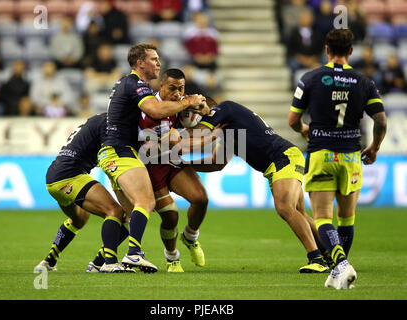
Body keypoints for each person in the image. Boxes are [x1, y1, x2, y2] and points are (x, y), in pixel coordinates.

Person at [288, 28, 387, 289]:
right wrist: (375, 146)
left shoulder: (310, 78)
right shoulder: (365, 82)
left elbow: (293, 120)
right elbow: (380, 120)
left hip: (322, 153)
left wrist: (304, 130)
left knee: (321, 217)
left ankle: (341, 265)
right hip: (351, 156)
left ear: (327, 50)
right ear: (351, 51)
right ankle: (337, 274)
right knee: (347, 217)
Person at [184, 99, 330, 274]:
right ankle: (330, 256)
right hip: (284, 158)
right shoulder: (229, 132)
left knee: (285, 208)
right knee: (298, 213)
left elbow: (199, 134)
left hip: (283, 158)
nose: (197, 117)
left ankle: (316, 259)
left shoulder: (225, 107)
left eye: (198, 114)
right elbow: (217, 163)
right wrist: (185, 165)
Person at [97, 43, 206, 273]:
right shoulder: (136, 85)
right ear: (140, 63)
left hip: (125, 152)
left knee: (127, 215)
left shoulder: (131, 84)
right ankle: (136, 255)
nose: (158, 62)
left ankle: (103, 262)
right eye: (154, 59)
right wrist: (186, 103)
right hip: (123, 152)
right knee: (146, 204)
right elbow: (155, 112)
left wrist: (198, 109)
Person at [34, 113, 135, 273]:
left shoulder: (100, 120)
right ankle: (107, 263)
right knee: (115, 211)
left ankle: (49, 262)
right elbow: (109, 159)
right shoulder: (110, 125)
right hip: (70, 174)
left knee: (79, 219)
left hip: (54, 175)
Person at [139, 68, 209, 272]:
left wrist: (201, 105)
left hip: (171, 160)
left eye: (181, 89)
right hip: (151, 165)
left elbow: (206, 109)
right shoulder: (150, 109)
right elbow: (176, 143)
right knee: (171, 215)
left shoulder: (181, 100)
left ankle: (191, 237)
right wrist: (209, 138)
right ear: (161, 85)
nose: (177, 93)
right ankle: (172, 257)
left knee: (201, 198)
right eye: (172, 88)